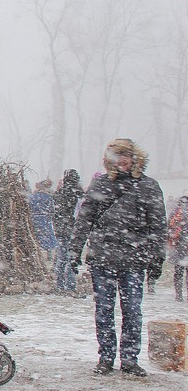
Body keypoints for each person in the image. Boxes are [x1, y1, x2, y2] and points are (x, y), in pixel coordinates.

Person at [68, 139, 166, 377]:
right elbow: (85, 219)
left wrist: (156, 259)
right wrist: (75, 249)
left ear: (135, 158)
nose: (122, 160)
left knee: (132, 311)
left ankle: (130, 359)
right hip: (102, 257)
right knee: (104, 310)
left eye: (126, 155)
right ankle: (106, 357)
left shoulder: (148, 186)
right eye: (117, 156)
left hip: (134, 259)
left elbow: (158, 226)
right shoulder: (101, 184)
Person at [52, 169, 84, 294]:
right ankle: (70, 285)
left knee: (61, 257)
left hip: (61, 229)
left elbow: (55, 213)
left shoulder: (59, 194)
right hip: (73, 229)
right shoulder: (78, 195)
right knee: (71, 258)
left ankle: (60, 285)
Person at [28, 179, 58, 257]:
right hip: (45, 219)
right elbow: (52, 209)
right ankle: (49, 253)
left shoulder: (33, 196)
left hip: (35, 218)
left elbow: (29, 207)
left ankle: (36, 253)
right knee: (47, 235)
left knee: (36, 236)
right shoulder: (48, 197)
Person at [168, 194, 188, 302]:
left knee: (178, 272)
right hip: (182, 246)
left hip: (178, 246)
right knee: (181, 272)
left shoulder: (175, 213)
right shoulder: (176, 213)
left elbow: (170, 228)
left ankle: (178, 295)